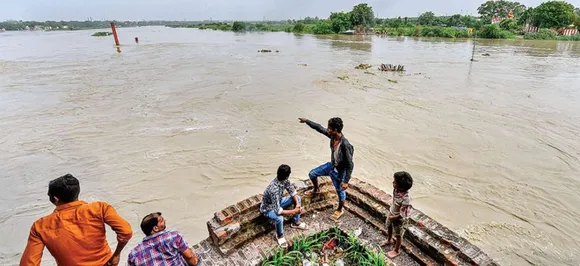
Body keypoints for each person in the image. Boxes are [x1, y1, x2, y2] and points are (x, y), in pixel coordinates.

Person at [20, 174, 133, 266]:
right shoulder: (99, 208)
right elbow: (126, 232)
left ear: (55, 199)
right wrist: (116, 255)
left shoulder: (40, 226)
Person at [299, 117, 354, 220]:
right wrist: (307, 121)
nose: (327, 130)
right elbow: (319, 128)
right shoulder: (333, 137)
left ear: (335, 130)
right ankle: (316, 189)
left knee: (340, 192)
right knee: (312, 174)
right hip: (331, 166)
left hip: (340, 172)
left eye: (329, 128)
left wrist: (346, 181)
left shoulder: (345, 145)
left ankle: (340, 209)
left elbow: (350, 165)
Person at [127, 212, 202, 266]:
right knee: (195, 258)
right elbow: (189, 256)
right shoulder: (173, 236)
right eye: (162, 220)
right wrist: (196, 260)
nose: (165, 221)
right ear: (156, 228)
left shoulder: (133, 254)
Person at [260, 164, 307, 247]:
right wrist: (294, 211)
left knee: (298, 198)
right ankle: (280, 235)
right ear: (287, 176)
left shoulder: (285, 181)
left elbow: (293, 192)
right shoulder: (273, 189)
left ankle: (296, 222)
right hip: (268, 209)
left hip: (278, 202)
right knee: (279, 218)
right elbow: (278, 211)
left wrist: (298, 204)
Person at [381, 171, 413, 258]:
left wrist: (393, 217)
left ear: (401, 186)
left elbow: (403, 215)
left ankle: (396, 250)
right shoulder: (396, 190)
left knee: (398, 235)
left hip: (400, 219)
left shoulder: (407, 199)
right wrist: (391, 215)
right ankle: (389, 239)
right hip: (392, 213)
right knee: (389, 226)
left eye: (395, 182)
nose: (392, 182)